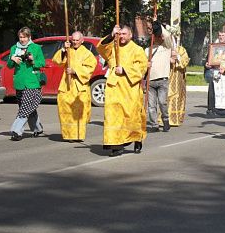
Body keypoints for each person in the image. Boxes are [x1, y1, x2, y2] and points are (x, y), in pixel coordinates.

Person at [97, 25, 148, 157]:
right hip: (114, 87)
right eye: (120, 34)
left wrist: (125, 70)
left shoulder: (137, 50)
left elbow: (142, 68)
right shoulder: (113, 46)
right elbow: (101, 49)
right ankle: (116, 145)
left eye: (124, 34)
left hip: (129, 88)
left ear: (130, 35)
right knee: (112, 116)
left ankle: (137, 138)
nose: (122, 36)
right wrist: (111, 34)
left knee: (131, 116)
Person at [52, 31, 97, 141]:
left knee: (79, 112)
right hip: (66, 85)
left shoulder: (87, 54)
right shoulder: (68, 50)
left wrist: (75, 71)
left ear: (82, 41)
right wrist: (63, 50)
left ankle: (78, 135)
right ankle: (68, 135)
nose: (75, 42)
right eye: (73, 40)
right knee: (65, 110)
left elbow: (91, 67)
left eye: (77, 40)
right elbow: (57, 61)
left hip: (79, 86)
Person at [8, 27, 46, 141]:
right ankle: (37, 128)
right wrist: (12, 59)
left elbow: (42, 63)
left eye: (24, 37)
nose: (22, 39)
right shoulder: (14, 48)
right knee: (28, 107)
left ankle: (17, 130)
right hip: (19, 81)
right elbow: (9, 66)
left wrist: (33, 60)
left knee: (25, 108)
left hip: (32, 82)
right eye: (20, 37)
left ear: (29, 37)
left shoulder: (36, 48)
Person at [145, 21, 175, 132]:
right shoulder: (147, 50)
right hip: (150, 81)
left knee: (162, 102)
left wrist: (157, 25)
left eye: (158, 36)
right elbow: (142, 66)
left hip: (162, 80)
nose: (158, 38)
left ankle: (165, 119)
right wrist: (145, 65)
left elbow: (167, 35)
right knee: (151, 105)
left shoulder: (166, 48)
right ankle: (154, 124)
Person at [166, 30, 190, 127]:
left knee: (176, 96)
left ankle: (175, 118)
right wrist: (169, 59)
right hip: (167, 76)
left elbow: (185, 62)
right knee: (166, 97)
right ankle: (164, 118)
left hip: (178, 77)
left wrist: (178, 57)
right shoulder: (165, 49)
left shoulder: (181, 49)